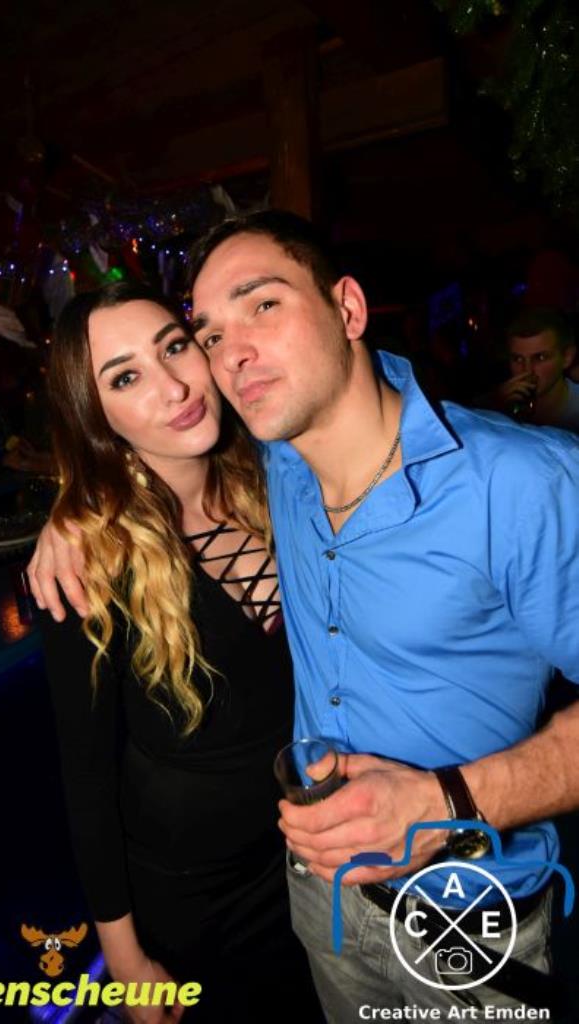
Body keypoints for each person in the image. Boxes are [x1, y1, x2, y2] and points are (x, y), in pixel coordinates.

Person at [30, 213, 579, 1021]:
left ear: (347, 308)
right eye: (210, 334)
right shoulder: (278, 468)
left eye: (262, 305)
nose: (225, 356)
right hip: (314, 903)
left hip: (467, 918)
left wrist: (447, 802)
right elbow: (85, 772)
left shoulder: (525, 483)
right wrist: (73, 508)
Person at [35, 281, 321, 1024]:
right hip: (200, 898)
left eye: (174, 347)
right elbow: (86, 780)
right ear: (95, 415)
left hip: (312, 855)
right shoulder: (91, 564)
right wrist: (125, 959)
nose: (173, 386)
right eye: (125, 377)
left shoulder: (282, 478)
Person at [492, 306, 579, 430]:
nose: (527, 370)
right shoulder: (498, 405)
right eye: (518, 359)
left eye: (540, 358)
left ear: (567, 357)